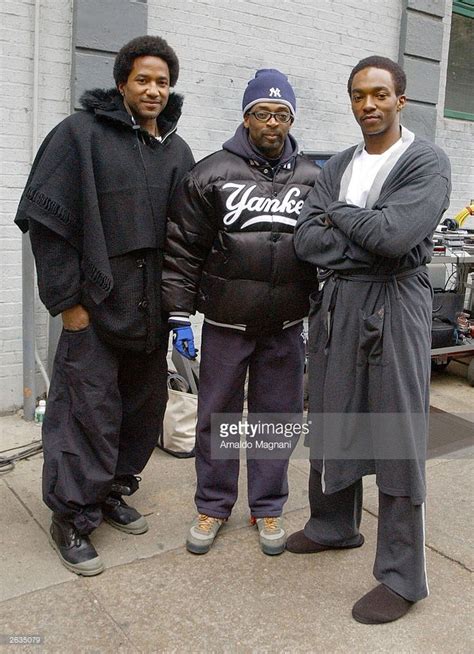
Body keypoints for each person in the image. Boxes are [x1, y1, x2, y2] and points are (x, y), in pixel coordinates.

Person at [14, 35, 194, 576]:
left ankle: (113, 490)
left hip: (150, 312)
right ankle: (71, 515)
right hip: (93, 309)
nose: (154, 90)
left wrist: (180, 307)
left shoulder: (177, 152)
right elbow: (47, 224)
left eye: (163, 81)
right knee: (83, 414)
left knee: (141, 410)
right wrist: (68, 302)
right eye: (143, 79)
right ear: (122, 82)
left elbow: (188, 234)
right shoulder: (80, 136)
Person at [290, 56, 451, 623]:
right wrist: (356, 226)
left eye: (380, 94)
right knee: (331, 415)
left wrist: (338, 215)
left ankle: (402, 577)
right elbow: (306, 241)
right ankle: (332, 525)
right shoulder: (337, 164)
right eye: (359, 95)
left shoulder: (425, 160)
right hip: (338, 306)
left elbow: (398, 236)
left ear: (400, 99)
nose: (368, 105)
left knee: (397, 433)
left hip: (396, 305)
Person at [162, 69, 319, 556]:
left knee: (277, 418)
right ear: (246, 117)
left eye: (281, 114)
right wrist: (178, 316)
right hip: (227, 324)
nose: (271, 123)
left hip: (286, 326)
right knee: (217, 418)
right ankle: (213, 504)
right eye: (261, 113)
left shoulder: (315, 178)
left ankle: (268, 507)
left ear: (291, 119)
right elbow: (182, 250)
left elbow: (327, 249)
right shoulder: (210, 174)